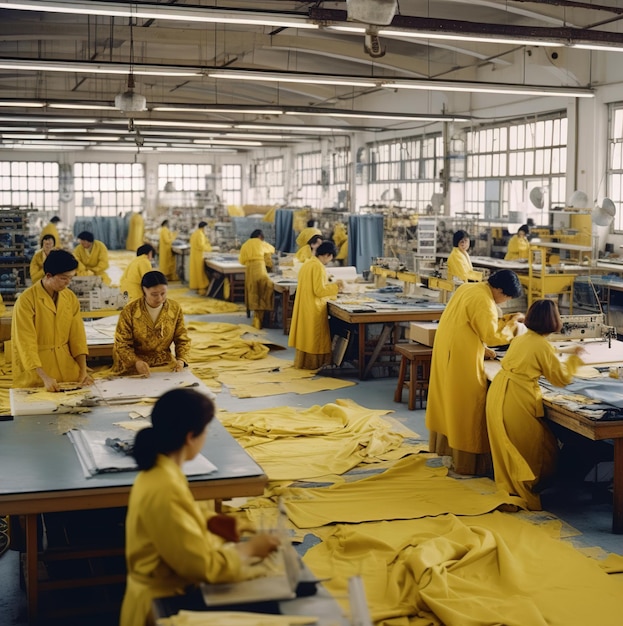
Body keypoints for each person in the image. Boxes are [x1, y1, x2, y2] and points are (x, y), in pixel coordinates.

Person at [120, 388, 280, 626]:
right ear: (190, 436)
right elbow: (203, 568)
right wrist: (249, 551)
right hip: (162, 605)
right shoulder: (165, 487)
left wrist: (214, 521)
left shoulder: (160, 472)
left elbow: (179, 519)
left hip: (161, 591)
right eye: (205, 430)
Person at [486, 299, 584, 510]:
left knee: (512, 446)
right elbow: (561, 379)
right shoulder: (542, 345)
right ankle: (525, 491)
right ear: (554, 321)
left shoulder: (521, 339)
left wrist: (561, 353)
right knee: (532, 447)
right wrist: (575, 359)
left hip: (499, 392)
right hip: (516, 398)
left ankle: (513, 487)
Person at [425, 270, 524, 475]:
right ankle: (466, 462)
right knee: (468, 406)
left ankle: (447, 451)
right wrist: (513, 325)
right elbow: (493, 334)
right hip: (460, 357)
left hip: (448, 349)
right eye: (505, 297)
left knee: (448, 402)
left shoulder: (468, 288)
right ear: (498, 289)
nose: (504, 303)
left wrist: (481, 348)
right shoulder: (484, 301)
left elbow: (464, 324)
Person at [11, 249, 93, 391]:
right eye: (63, 278)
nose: (68, 283)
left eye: (71, 278)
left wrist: (83, 371)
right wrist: (44, 378)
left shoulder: (70, 298)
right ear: (48, 275)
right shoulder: (26, 300)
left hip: (66, 367)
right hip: (37, 371)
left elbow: (77, 338)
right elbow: (25, 343)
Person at [113, 270, 190, 376]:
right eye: (154, 294)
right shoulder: (130, 311)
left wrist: (181, 360)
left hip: (165, 363)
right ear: (144, 290)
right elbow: (122, 344)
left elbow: (182, 338)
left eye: (163, 293)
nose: (159, 298)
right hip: (135, 365)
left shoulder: (174, 308)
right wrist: (136, 362)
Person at [289, 240, 343, 369]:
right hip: (314, 307)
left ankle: (304, 363)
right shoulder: (318, 266)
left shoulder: (308, 263)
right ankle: (315, 364)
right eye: (330, 258)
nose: (329, 261)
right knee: (315, 338)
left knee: (306, 337)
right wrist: (336, 287)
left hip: (305, 305)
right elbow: (319, 290)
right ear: (327, 255)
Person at [238, 229, 275, 329]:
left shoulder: (245, 245)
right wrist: (270, 266)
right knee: (266, 288)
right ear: (260, 236)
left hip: (249, 270)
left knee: (252, 290)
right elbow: (271, 251)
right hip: (260, 268)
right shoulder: (262, 243)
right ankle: (262, 314)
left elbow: (241, 261)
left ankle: (255, 315)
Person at [189, 221, 212, 295]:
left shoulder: (195, 233)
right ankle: (202, 288)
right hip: (199, 256)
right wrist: (209, 248)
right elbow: (201, 246)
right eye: (206, 228)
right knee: (200, 273)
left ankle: (197, 287)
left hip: (194, 256)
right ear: (204, 227)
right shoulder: (200, 234)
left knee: (196, 272)